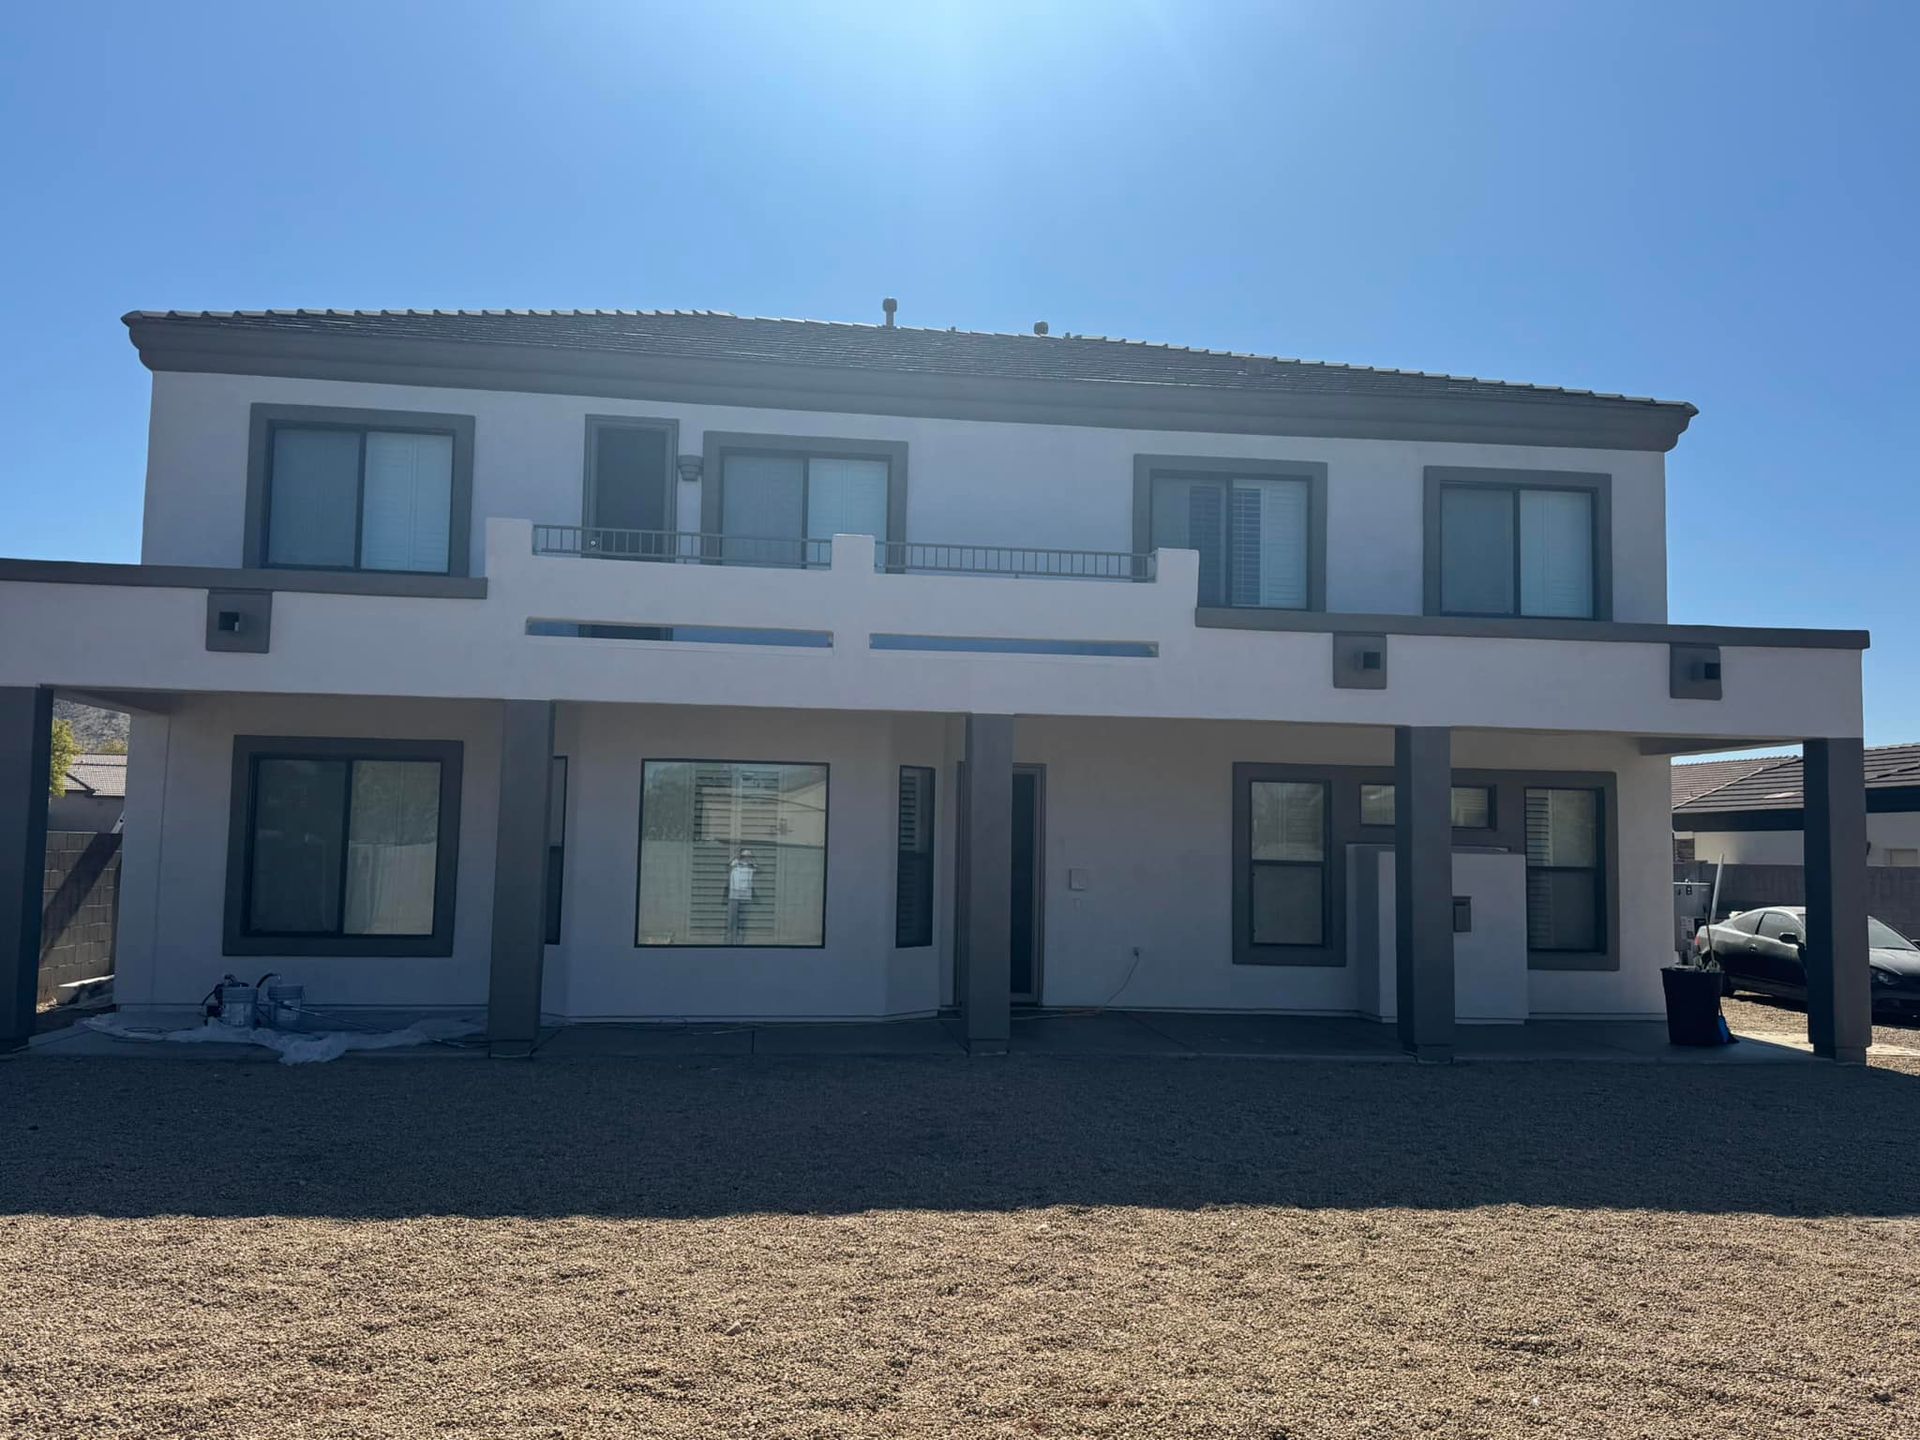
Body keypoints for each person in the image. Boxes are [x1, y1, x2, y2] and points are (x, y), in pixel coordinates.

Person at [726, 847, 756, 943]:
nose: (746, 858)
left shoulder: (751, 866)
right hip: (734, 897)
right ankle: (729, 943)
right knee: (731, 922)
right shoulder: (735, 864)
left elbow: (759, 868)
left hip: (746, 897)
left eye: (748, 856)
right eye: (744, 856)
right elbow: (728, 864)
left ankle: (740, 943)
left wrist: (751, 860)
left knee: (743, 924)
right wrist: (737, 857)